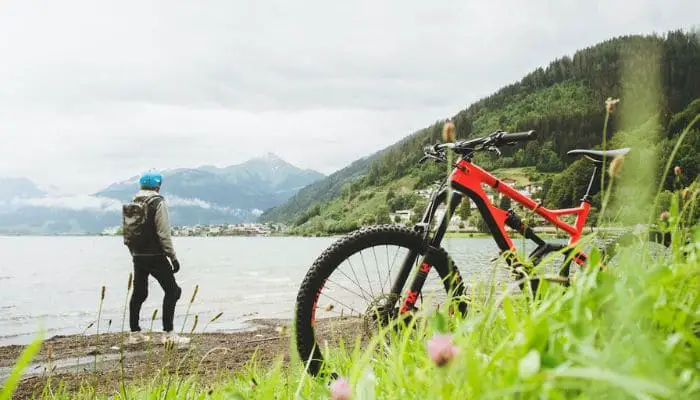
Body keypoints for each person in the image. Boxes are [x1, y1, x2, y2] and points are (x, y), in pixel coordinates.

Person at [124, 171, 190, 345]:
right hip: (155, 255)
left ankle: (135, 333)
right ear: (158, 186)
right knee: (173, 291)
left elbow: (129, 232)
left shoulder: (133, 202)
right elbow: (163, 233)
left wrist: (134, 253)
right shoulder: (158, 202)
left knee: (139, 293)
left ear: (141, 186)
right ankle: (168, 334)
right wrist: (172, 257)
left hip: (137, 255)